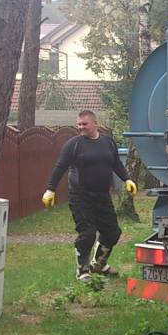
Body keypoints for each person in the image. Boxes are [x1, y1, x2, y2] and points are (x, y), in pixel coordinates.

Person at [42, 110, 137, 283]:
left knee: (112, 232)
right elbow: (60, 167)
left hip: (102, 195)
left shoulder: (108, 142)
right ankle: (82, 272)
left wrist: (127, 179)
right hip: (80, 196)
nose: (80, 127)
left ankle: (99, 264)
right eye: (78, 124)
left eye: (84, 124)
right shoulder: (74, 144)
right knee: (87, 233)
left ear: (94, 123)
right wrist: (50, 189)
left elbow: (116, 163)